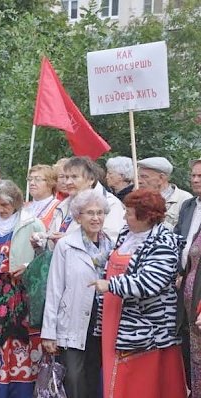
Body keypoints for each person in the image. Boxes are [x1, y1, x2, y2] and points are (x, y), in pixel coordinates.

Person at [90, 189, 188, 398]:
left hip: (143, 324)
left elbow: (151, 282)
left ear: (145, 216)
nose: (125, 216)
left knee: (138, 381)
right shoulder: (127, 234)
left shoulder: (163, 242)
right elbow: (113, 260)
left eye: (129, 212)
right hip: (114, 315)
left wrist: (111, 285)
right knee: (112, 370)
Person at [0, 179, 44, 397]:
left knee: (19, 341)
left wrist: (28, 266)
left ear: (16, 202)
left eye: (5, 205)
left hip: (20, 291)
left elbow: (45, 259)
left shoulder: (33, 223)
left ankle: (18, 389)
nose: (1, 209)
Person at [41, 189, 111, 398]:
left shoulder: (113, 245)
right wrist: (49, 332)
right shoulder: (66, 245)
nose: (96, 218)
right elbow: (54, 289)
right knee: (74, 380)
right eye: (90, 213)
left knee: (95, 379)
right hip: (72, 322)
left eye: (100, 212)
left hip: (103, 322)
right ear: (78, 217)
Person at [47, 156, 124, 245]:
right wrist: (41, 243)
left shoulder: (110, 204)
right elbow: (52, 242)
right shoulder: (63, 205)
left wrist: (70, 241)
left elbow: (111, 242)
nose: (68, 182)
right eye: (66, 177)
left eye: (74, 177)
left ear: (91, 179)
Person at [175, 156, 201, 395]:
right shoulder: (188, 206)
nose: (194, 180)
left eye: (200, 176)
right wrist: (179, 271)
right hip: (185, 286)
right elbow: (179, 242)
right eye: (193, 175)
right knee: (188, 346)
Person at [138, 156, 192, 230]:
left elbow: (186, 232)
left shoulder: (184, 200)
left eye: (144, 177)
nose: (139, 181)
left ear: (161, 178)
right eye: (138, 177)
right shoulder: (138, 198)